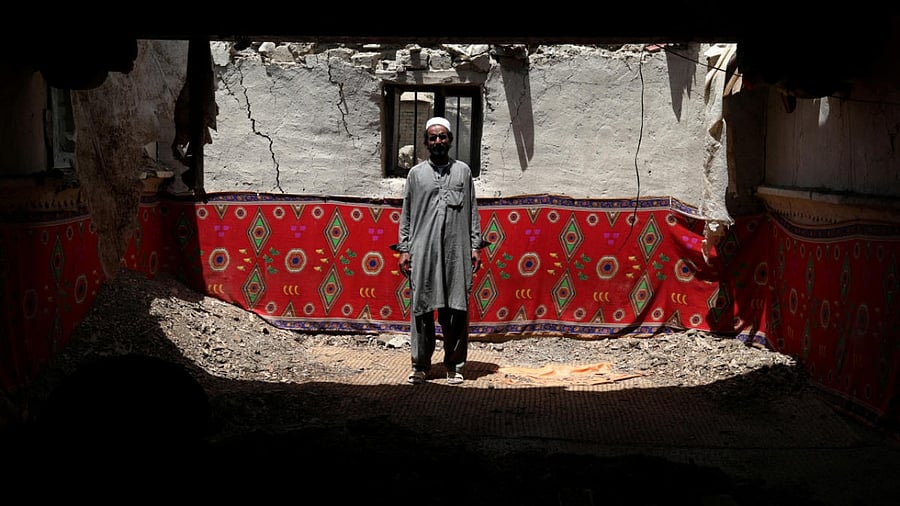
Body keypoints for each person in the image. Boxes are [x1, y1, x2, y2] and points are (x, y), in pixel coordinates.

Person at [396, 116, 483, 385]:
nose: (438, 141)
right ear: (426, 142)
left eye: (442, 137)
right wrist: (404, 248)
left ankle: (455, 365)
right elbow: (407, 213)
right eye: (433, 137)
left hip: (456, 252)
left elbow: (472, 211)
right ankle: (420, 365)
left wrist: (475, 245)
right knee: (422, 309)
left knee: (456, 309)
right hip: (423, 251)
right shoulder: (416, 174)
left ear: (450, 140)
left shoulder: (463, 172)